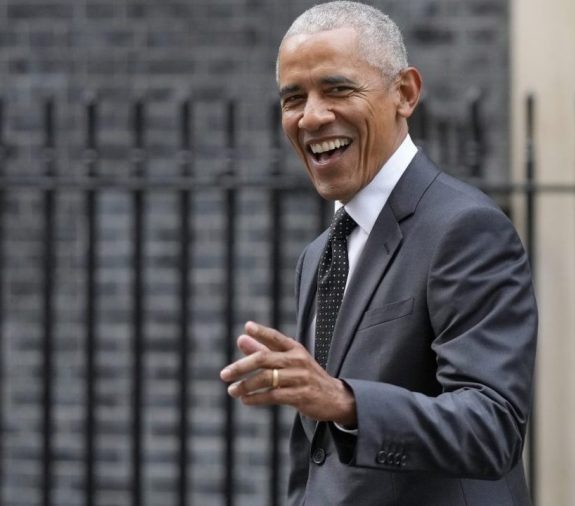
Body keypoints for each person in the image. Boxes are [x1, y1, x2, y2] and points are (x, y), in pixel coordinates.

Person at [220, 2, 537, 504]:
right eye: (293, 98)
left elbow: (491, 426)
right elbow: (317, 454)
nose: (312, 116)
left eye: (338, 89)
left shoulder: (465, 228)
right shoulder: (320, 254)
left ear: (405, 93)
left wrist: (345, 401)